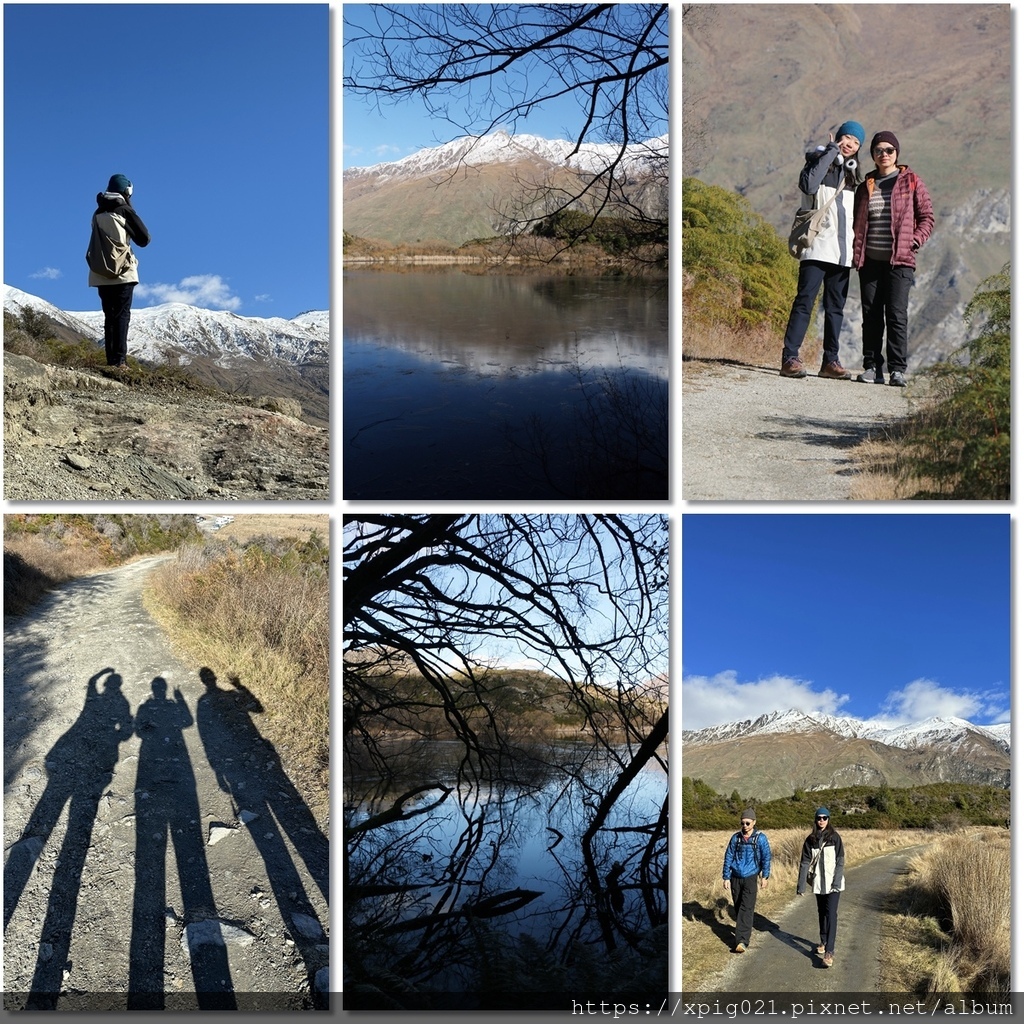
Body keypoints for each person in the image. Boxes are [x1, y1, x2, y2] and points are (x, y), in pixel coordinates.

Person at [780, 120, 864, 380]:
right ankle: (789, 358)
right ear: (838, 138)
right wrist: (830, 152)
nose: (849, 144)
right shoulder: (817, 163)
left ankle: (830, 361)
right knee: (804, 303)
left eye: (856, 142)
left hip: (842, 253)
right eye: (846, 137)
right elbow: (808, 186)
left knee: (835, 308)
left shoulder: (852, 174)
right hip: (816, 247)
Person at [851, 131, 934, 387]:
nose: (884, 154)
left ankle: (897, 369)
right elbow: (858, 221)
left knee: (896, 315)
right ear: (873, 155)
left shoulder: (911, 181)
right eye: (878, 150)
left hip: (900, 262)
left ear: (896, 153)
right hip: (870, 262)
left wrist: (915, 240)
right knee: (871, 315)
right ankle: (872, 366)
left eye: (889, 150)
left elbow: (927, 217)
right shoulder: (866, 185)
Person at [87, 173, 151, 368]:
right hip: (123, 272)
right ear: (127, 191)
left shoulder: (97, 213)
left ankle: (110, 360)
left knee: (109, 315)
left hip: (100, 272)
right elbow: (144, 239)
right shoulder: (124, 210)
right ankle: (120, 361)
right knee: (122, 315)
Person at [796, 806, 845, 968]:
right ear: (815, 820)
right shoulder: (810, 840)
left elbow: (840, 861)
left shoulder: (835, 838)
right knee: (822, 912)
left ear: (829, 819)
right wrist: (801, 886)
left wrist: (836, 882)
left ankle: (829, 951)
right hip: (818, 883)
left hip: (833, 884)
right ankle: (823, 941)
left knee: (831, 914)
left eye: (825, 818)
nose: (822, 820)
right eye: (819, 818)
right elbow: (804, 863)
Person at [721, 808, 771, 953]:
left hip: (751, 877)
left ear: (754, 822)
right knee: (738, 907)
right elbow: (728, 856)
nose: (745, 826)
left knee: (746, 908)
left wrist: (765, 876)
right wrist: (726, 877)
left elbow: (766, 857)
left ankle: (742, 941)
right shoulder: (735, 838)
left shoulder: (760, 838)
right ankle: (743, 930)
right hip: (735, 876)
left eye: (748, 823)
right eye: (742, 823)